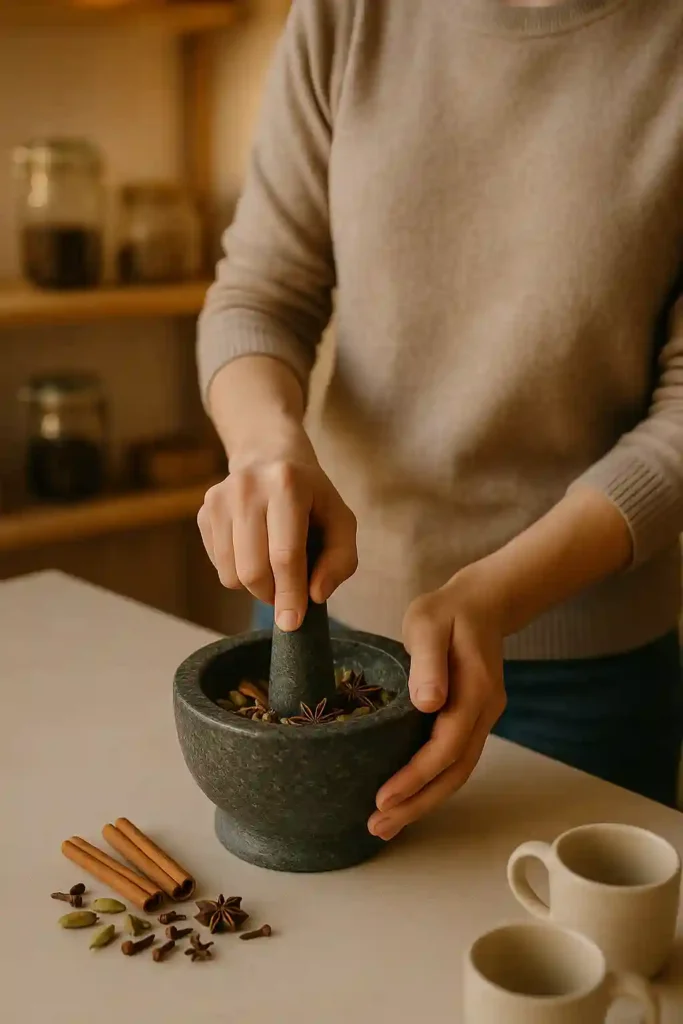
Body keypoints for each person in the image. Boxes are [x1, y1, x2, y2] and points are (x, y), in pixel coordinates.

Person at [196, 0, 683, 836]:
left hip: (581, 685)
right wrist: (265, 445)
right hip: (321, 625)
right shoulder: (347, 14)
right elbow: (260, 291)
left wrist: (501, 593)